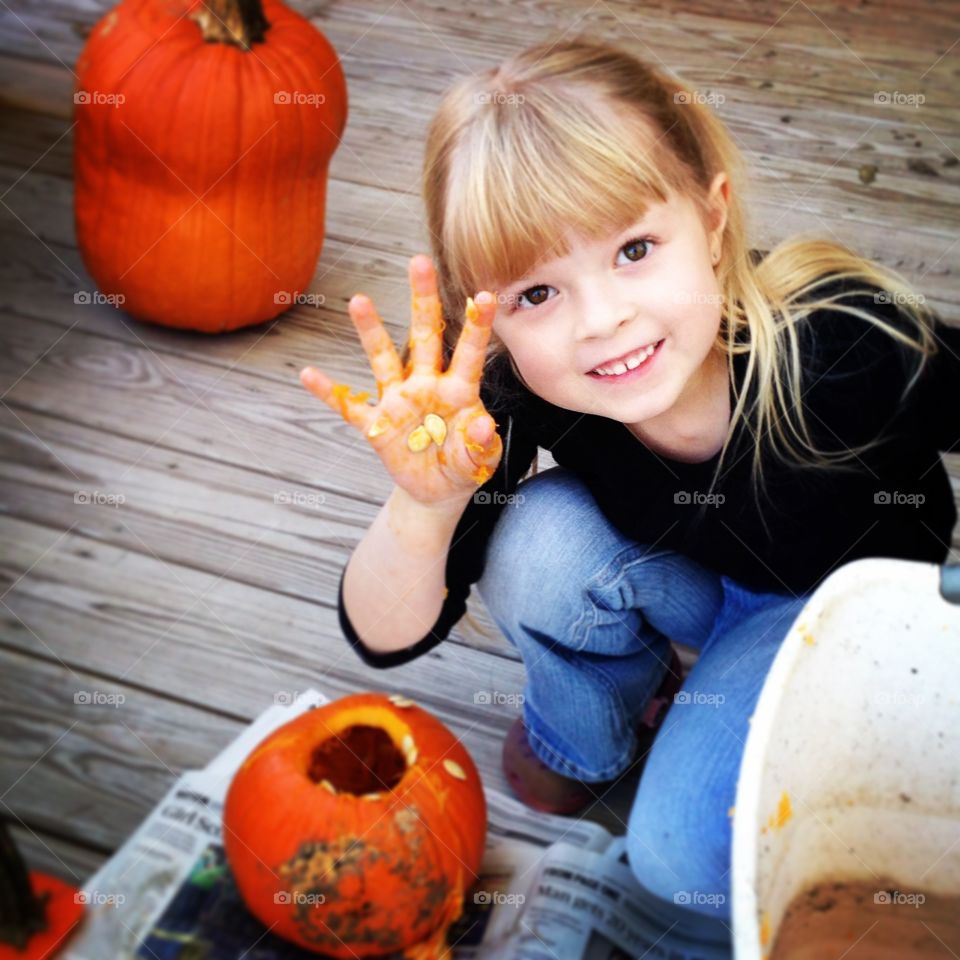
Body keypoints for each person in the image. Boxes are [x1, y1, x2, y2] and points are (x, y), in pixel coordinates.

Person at [298, 34, 960, 925]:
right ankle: (593, 737)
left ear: (715, 217)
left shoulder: (843, 343)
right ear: (486, 315)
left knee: (678, 854)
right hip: (691, 579)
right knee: (534, 538)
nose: (603, 321)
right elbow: (386, 639)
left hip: (841, 615)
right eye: (538, 293)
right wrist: (427, 502)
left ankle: (737, 710)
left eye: (636, 249)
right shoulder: (512, 392)